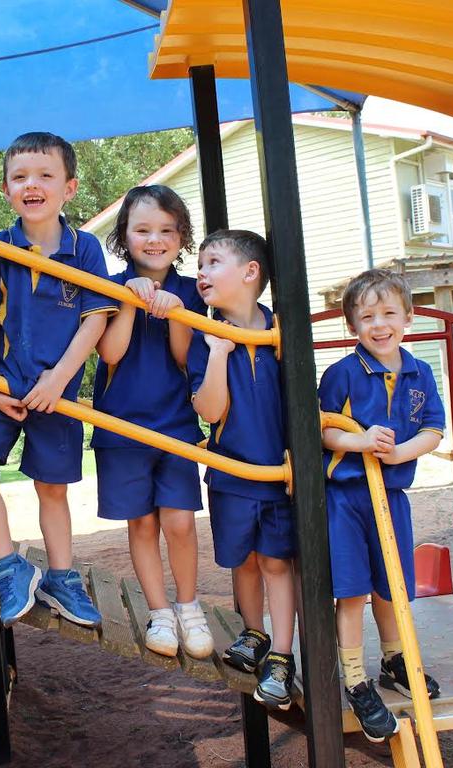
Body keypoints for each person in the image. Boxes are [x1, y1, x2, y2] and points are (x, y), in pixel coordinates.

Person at [0, 132, 117, 628]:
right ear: (6, 190)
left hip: (58, 390)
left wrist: (58, 380)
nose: (32, 185)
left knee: (52, 488)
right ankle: (8, 565)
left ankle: (62, 576)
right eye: (20, 177)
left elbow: (95, 319)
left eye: (45, 176)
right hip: (2, 382)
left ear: (68, 188)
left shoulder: (84, 248)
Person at [319, 268, 444, 742]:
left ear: (407, 317)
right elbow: (322, 428)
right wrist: (361, 440)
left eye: (389, 313)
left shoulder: (419, 371)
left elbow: (433, 428)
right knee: (351, 590)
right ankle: (354, 676)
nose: (379, 324)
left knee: (391, 589)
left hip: (391, 498)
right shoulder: (342, 373)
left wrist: (399, 452)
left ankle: (395, 660)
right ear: (353, 324)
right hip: (347, 499)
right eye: (366, 316)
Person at [91, 185, 213, 659]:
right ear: (125, 235)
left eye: (166, 230)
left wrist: (177, 313)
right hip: (123, 428)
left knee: (180, 521)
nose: (155, 239)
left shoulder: (192, 291)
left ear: (181, 237)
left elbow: (185, 359)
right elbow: (111, 354)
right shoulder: (111, 286)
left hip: (176, 424)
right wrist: (129, 301)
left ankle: (189, 606)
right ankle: (159, 611)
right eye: (143, 229)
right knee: (142, 524)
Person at [187, 230, 296, 709]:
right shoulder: (204, 333)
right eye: (200, 266)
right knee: (245, 562)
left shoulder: (280, 331)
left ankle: (283, 655)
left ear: (250, 272)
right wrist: (216, 352)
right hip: (230, 474)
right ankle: (254, 635)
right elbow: (210, 411)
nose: (201, 274)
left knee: (277, 561)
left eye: (212, 263)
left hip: (277, 472)